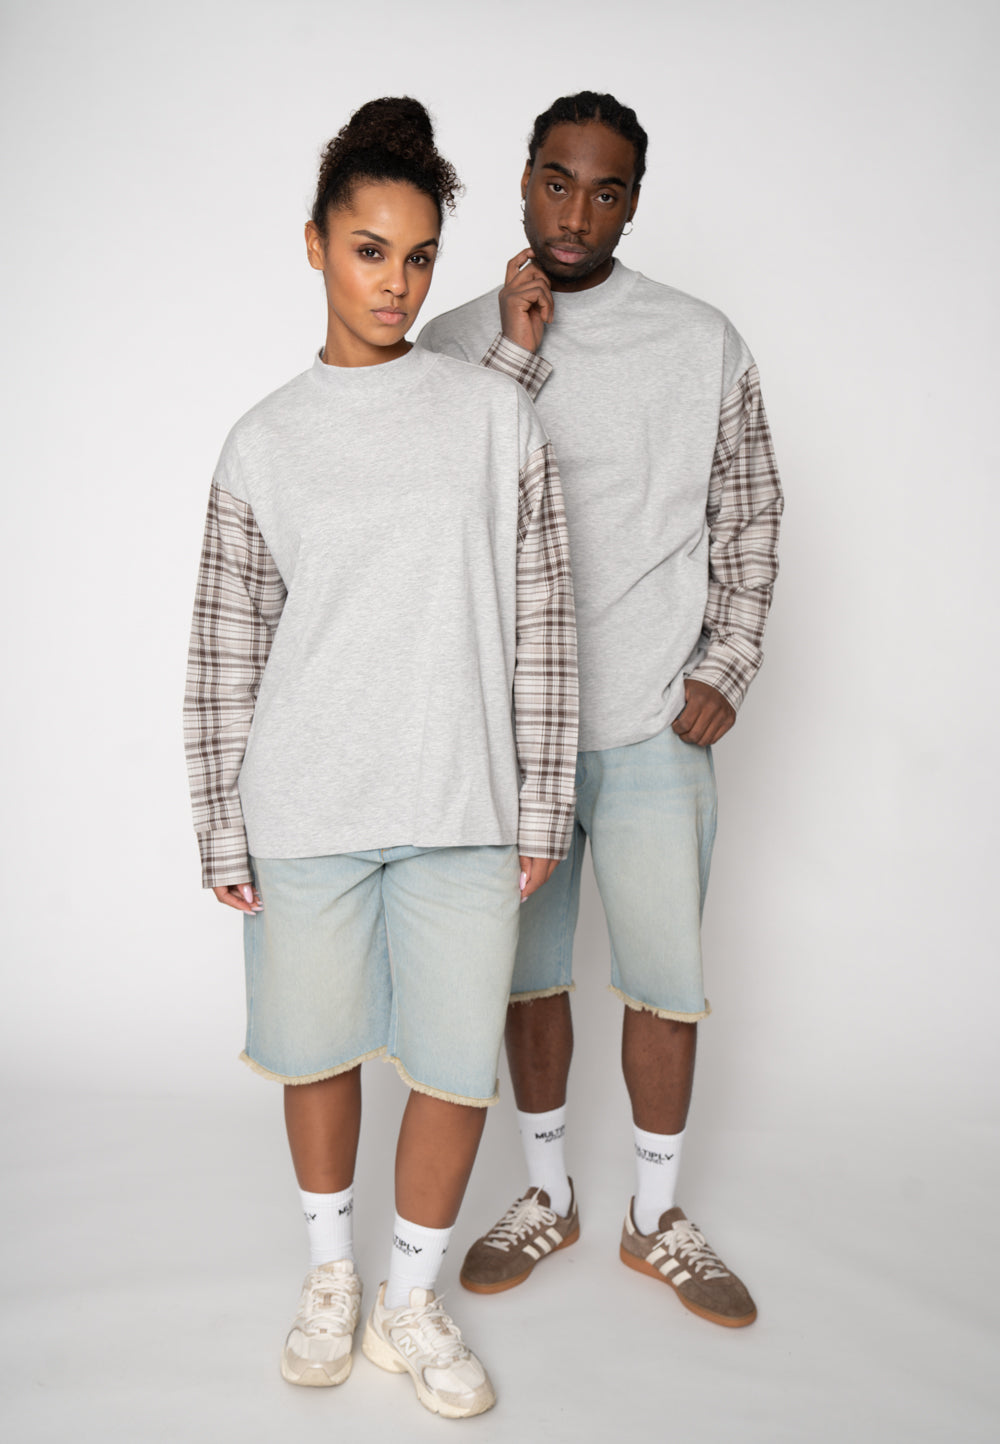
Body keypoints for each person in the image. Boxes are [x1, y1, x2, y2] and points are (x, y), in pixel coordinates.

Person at [183, 96, 577, 1419]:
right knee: (316, 1052)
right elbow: (225, 650)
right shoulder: (263, 441)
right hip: (305, 804)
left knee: (456, 1063)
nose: (396, 284)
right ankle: (330, 1280)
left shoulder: (494, 416)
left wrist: (542, 804)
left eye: (417, 258)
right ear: (315, 245)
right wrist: (219, 821)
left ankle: (410, 1300)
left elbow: (541, 622)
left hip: (464, 801)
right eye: (368, 251)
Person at [419, 90, 783, 1328]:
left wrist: (727, 662)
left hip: (649, 723)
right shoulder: (456, 341)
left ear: (634, 202)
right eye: (557, 183)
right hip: (507, 737)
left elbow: (751, 507)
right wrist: (516, 353)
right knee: (527, 982)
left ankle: (654, 1217)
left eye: (606, 190)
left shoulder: (700, 340)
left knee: (663, 983)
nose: (576, 214)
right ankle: (546, 1194)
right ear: (523, 179)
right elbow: (439, 513)